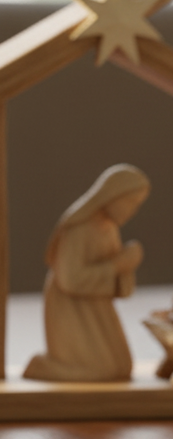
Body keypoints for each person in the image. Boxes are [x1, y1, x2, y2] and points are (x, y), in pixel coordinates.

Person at [24, 164, 149, 382]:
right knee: (99, 372)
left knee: (121, 367)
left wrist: (127, 267)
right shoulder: (78, 228)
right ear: (113, 196)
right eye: (130, 203)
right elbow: (71, 280)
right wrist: (118, 265)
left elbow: (118, 283)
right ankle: (42, 367)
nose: (133, 211)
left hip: (97, 308)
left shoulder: (109, 228)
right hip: (71, 308)